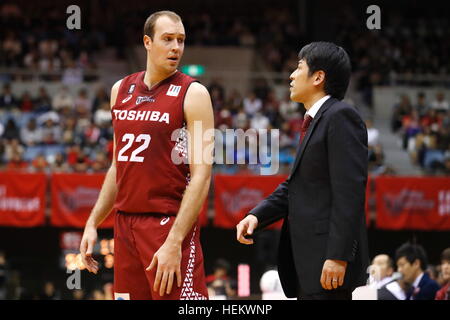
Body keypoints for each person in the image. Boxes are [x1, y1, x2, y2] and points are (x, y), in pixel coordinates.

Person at [79, 11, 213, 300]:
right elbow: (118, 165)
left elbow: (202, 175)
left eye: (181, 40)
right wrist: (93, 222)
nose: (176, 47)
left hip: (167, 224)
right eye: (168, 39)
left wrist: (175, 240)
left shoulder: (194, 93)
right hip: (125, 224)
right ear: (147, 42)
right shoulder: (121, 89)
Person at [236, 42, 369, 300]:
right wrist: (257, 216)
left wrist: (337, 256)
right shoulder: (317, 120)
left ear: (318, 77)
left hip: (327, 263)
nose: (291, 76)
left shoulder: (341, 116)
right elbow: (296, 186)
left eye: (299, 68)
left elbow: (350, 193)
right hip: (308, 264)